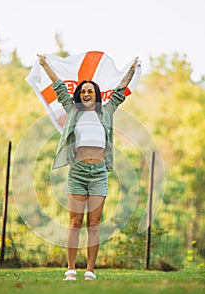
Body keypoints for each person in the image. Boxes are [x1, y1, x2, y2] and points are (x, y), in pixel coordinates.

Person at [37, 53, 141, 280]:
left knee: (94, 224)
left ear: (96, 95)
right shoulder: (73, 110)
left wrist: (131, 69)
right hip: (78, 172)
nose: (86, 94)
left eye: (90, 91)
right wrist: (45, 64)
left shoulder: (107, 111)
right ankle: (71, 269)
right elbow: (59, 87)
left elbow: (120, 90)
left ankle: (90, 271)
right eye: (83, 91)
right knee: (75, 222)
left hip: (99, 173)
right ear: (79, 95)